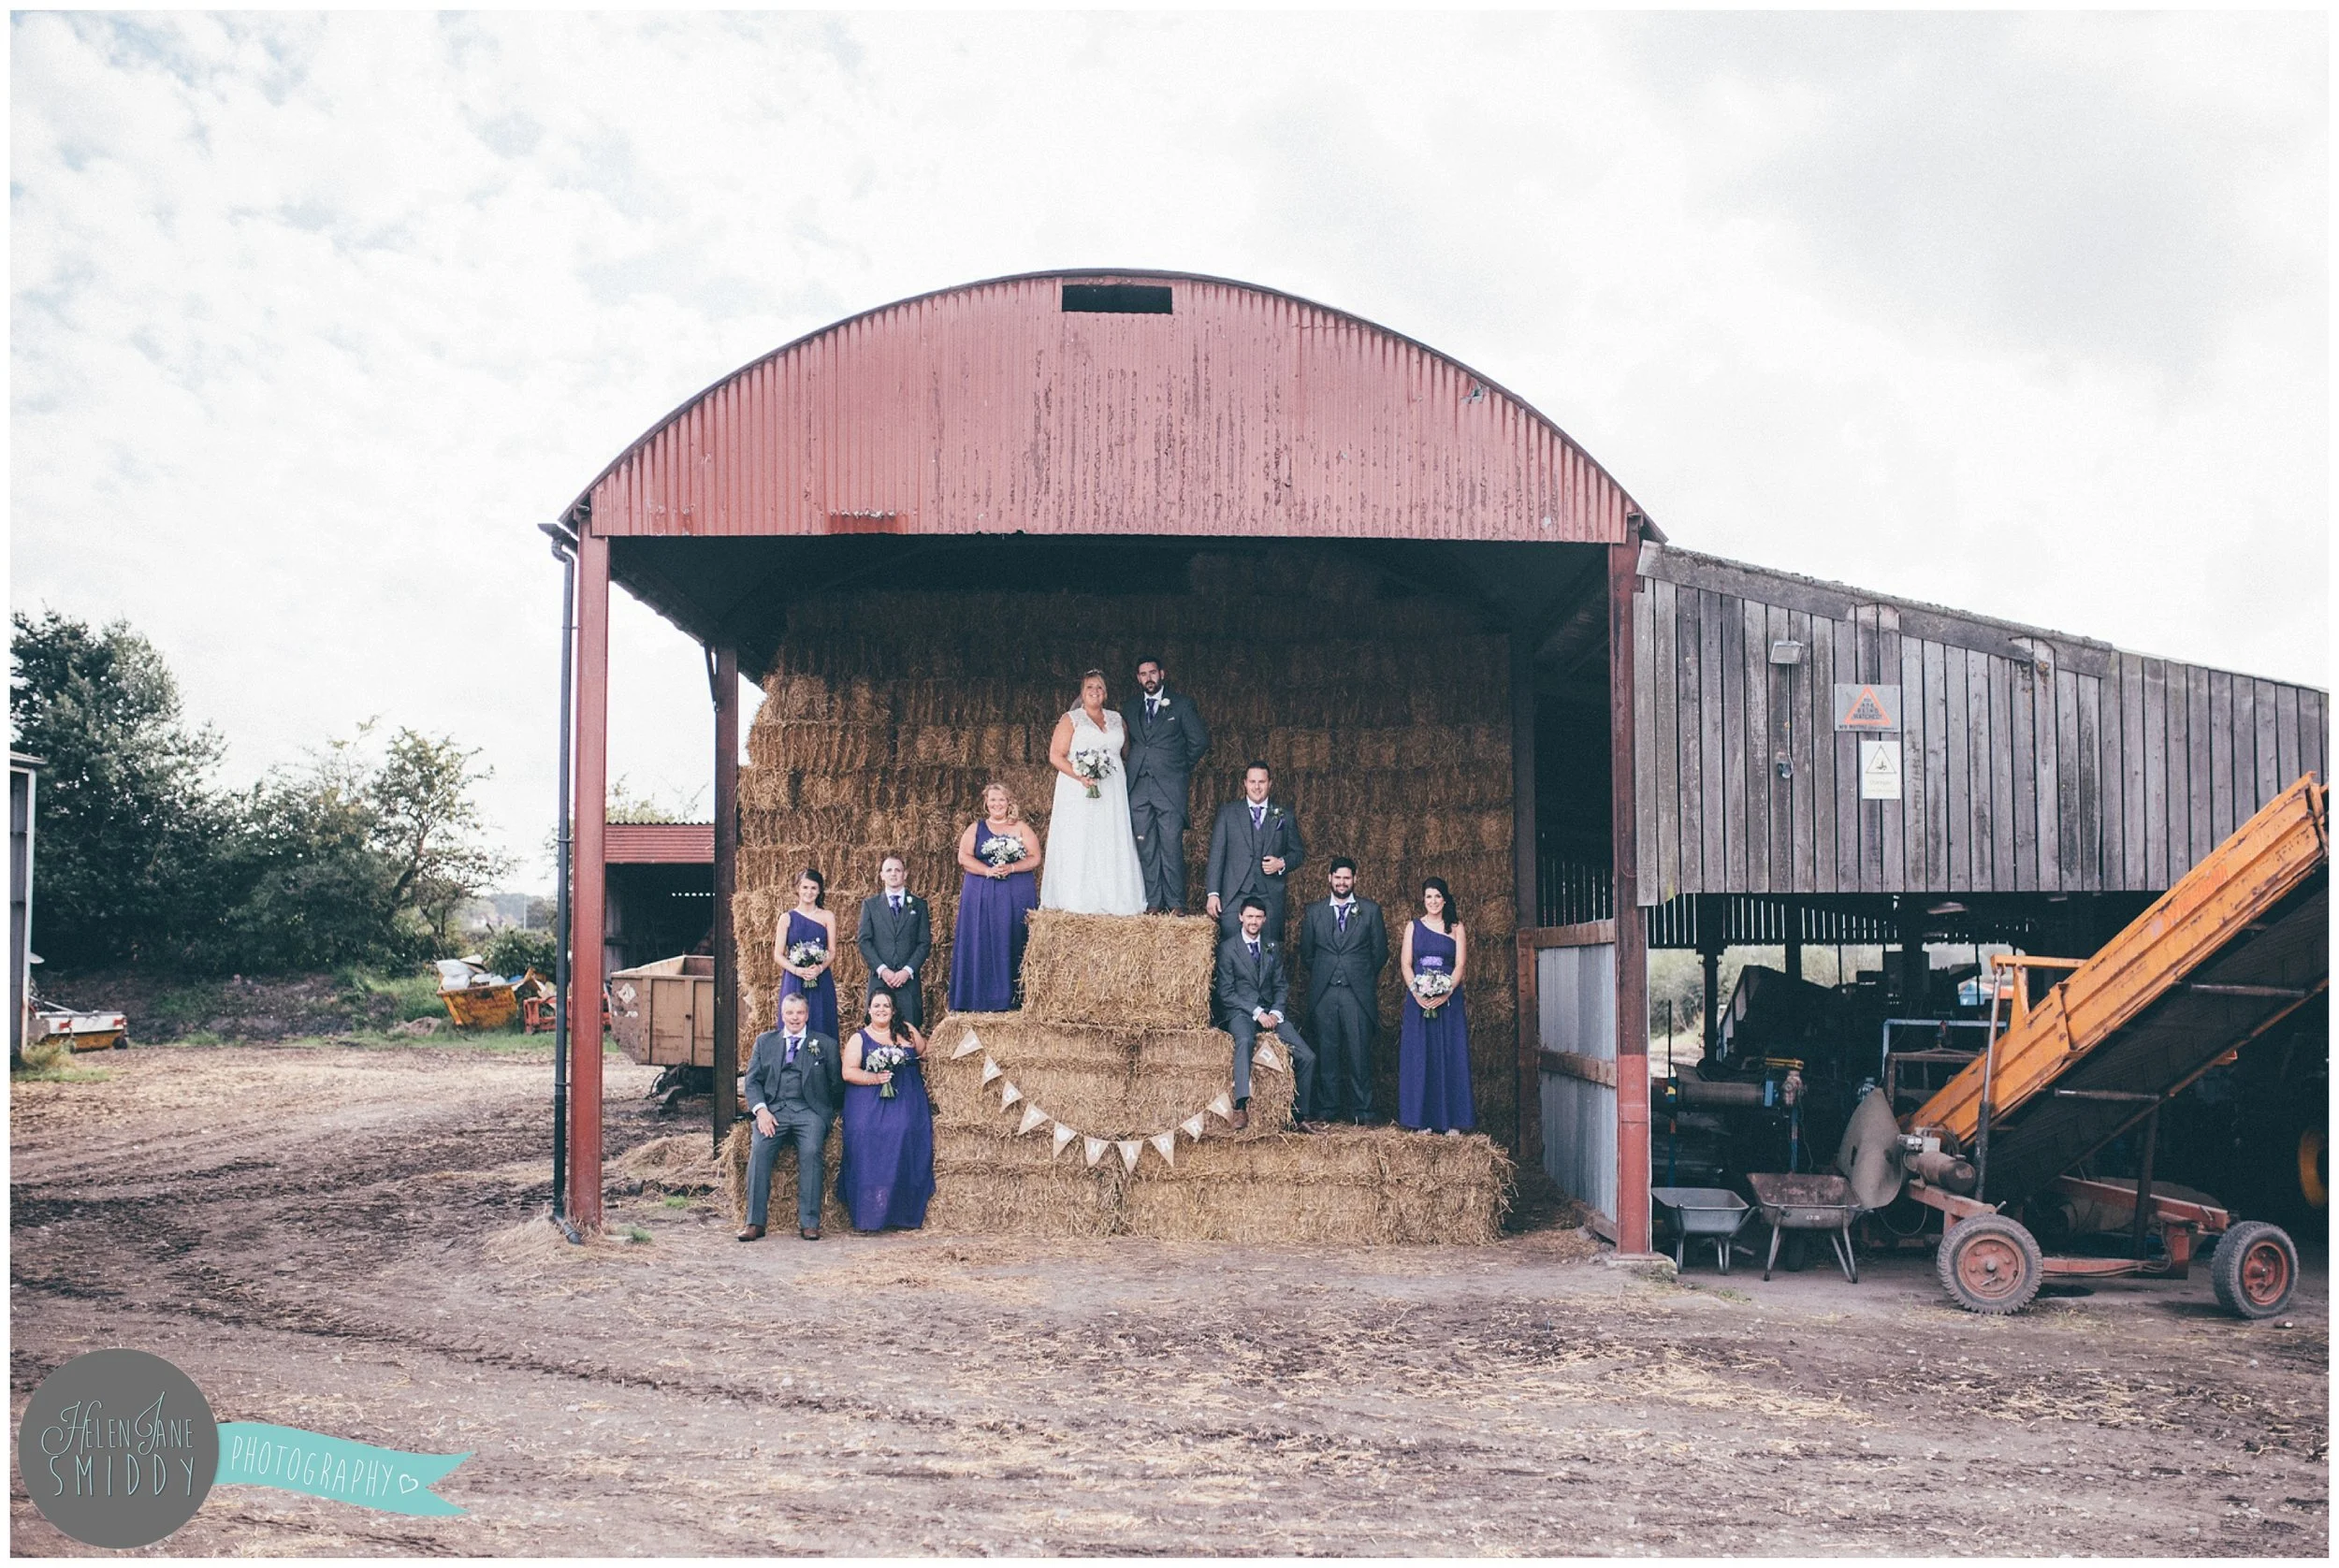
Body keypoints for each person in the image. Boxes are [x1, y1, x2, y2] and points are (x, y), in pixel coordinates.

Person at [1039, 670, 1146, 915]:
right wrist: (1080, 775)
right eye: (1090, 687)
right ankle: (1077, 897)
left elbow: (1125, 753)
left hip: (1112, 788)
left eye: (1099, 687)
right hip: (1078, 788)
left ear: (1105, 693)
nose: (1095, 691)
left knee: (1111, 836)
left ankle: (1115, 896)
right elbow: (1055, 755)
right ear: (1082, 692)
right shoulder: (1071, 719)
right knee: (1082, 836)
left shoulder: (1117, 719)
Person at [738, 992, 844, 1241]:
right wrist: (761, 1111)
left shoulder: (825, 1044)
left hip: (809, 1112)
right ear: (781, 1015)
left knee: (810, 1150)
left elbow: (837, 1085)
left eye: (799, 1013)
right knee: (760, 1149)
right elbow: (752, 1082)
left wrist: (825, 1114)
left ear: (807, 1015)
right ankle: (754, 1222)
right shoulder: (765, 1042)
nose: (794, 1018)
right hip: (773, 1111)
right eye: (789, 1013)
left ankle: (809, 1222)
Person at [1297, 857, 1389, 1126]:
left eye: (1347, 878)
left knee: (1359, 1051)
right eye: (1337, 877)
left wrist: (1356, 974)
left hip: (1356, 993)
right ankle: (1328, 1107)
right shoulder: (1314, 912)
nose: (1341, 882)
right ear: (1329, 878)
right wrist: (1329, 972)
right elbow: (1307, 954)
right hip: (1325, 992)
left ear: (1355, 880)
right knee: (1327, 1051)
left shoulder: (1370, 911)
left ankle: (1364, 1110)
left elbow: (1379, 953)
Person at [1213, 896, 1316, 1133]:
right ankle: (1240, 1104)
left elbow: (1281, 984)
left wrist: (1277, 1011)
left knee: (1307, 1056)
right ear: (1240, 917)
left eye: (1258, 917)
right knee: (1246, 1040)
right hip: (1241, 1012)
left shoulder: (1272, 946)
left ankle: (1298, 1116)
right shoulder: (1228, 948)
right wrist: (1257, 1012)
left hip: (1271, 1012)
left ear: (1265, 919)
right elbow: (1226, 992)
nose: (1254, 921)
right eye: (1249, 916)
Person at [837, 990, 935, 1234]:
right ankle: (870, 1216)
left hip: (907, 1096)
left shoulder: (906, 1030)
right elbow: (848, 1072)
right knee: (869, 1135)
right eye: (877, 1006)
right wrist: (875, 1078)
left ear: (893, 1010)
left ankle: (902, 1214)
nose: (881, 1010)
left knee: (905, 1133)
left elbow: (925, 1053)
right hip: (869, 1099)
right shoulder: (859, 1038)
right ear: (869, 1010)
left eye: (886, 1006)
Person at [1126, 657, 1210, 914]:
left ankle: (1175, 903)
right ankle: (1153, 902)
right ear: (1138, 678)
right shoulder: (1129, 707)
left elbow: (1199, 741)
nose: (1148, 678)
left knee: (1171, 845)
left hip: (1169, 788)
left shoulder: (1182, 704)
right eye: (1143, 674)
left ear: (1162, 674)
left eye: (1152, 672)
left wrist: (1178, 768)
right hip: (1138, 787)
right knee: (1146, 846)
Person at [950, 782, 1043, 1011]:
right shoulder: (976, 828)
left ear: (1009, 802)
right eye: (992, 800)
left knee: (1014, 937)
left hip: (1015, 892)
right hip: (981, 892)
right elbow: (964, 857)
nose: (997, 804)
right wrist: (987, 870)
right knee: (980, 938)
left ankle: (1015, 1000)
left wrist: (1012, 868)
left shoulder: (1021, 827)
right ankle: (977, 999)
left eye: (1001, 800)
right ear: (986, 803)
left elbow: (1035, 857)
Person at [1397, 878, 1475, 1135]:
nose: (1433, 902)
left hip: (1448, 1002)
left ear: (1445, 899)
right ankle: (1422, 1119)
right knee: (1421, 1056)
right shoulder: (1413, 927)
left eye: (1437, 897)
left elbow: (1460, 964)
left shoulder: (1455, 927)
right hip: (1418, 1002)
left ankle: (1453, 1120)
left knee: (1450, 1054)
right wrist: (1417, 992)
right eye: (1428, 897)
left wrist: (1446, 992)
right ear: (1424, 899)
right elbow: (1406, 963)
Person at [1205, 762, 1305, 939]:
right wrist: (1213, 893)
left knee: (1268, 951)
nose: (1257, 787)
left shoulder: (1283, 815)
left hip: (1269, 896)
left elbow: (1298, 853)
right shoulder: (1228, 813)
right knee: (1231, 948)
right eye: (1252, 782)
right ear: (1245, 783)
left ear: (1270, 783)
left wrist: (1281, 863)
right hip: (1234, 895)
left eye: (1262, 782)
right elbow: (1216, 855)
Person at [856, 853, 932, 1028]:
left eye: (897, 870)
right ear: (881, 875)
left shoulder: (918, 905)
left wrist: (907, 971)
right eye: (888, 870)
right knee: (879, 1027)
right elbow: (864, 941)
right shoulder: (870, 905)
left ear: (905, 874)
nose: (893, 873)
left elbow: (924, 942)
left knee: (909, 1026)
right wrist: (883, 970)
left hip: (908, 981)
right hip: (881, 979)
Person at [774, 868, 839, 1039]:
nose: (809, 892)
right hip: (794, 979)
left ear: (819, 891)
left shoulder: (827, 916)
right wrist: (796, 970)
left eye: (813, 888)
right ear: (797, 888)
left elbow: (832, 951)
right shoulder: (786, 918)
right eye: (805, 887)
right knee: (793, 1020)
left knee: (821, 1019)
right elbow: (778, 954)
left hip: (820, 978)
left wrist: (820, 968)